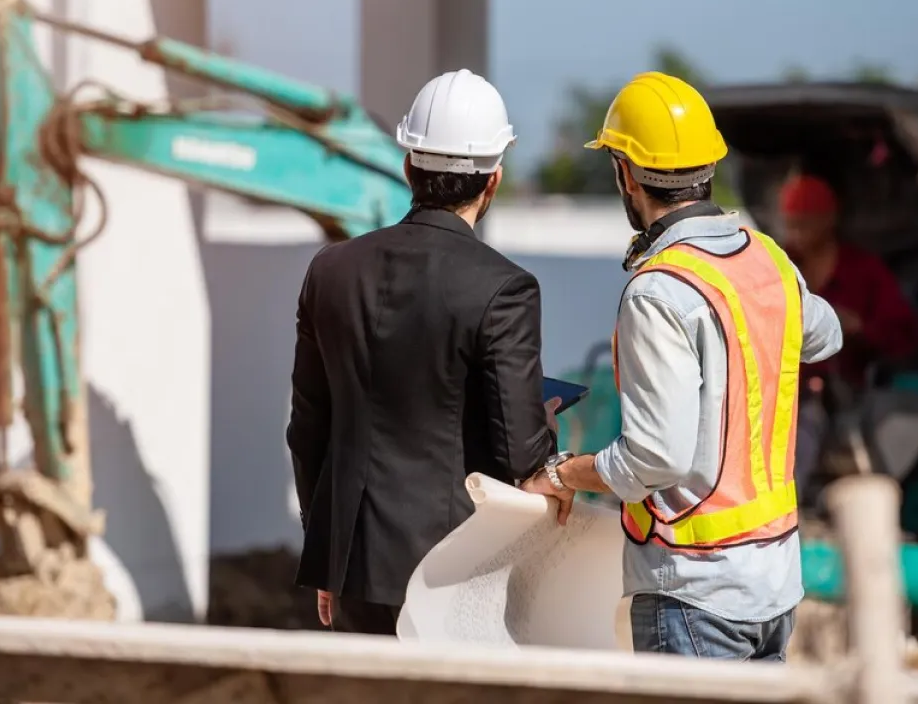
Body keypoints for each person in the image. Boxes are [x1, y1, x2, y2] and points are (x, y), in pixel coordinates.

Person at [521, 72, 843, 661]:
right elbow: (826, 333)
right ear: (709, 168)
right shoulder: (768, 257)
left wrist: (564, 472)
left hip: (698, 595)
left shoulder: (660, 290)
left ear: (625, 174)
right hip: (774, 586)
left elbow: (655, 458)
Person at [286, 69, 558, 636]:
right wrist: (545, 422)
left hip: (353, 564)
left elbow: (307, 427)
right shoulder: (505, 288)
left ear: (408, 166)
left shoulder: (330, 272)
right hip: (453, 570)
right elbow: (519, 454)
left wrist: (328, 555)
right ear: (494, 180)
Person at [777, 173, 918, 392]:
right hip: (792, 393)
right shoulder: (779, 268)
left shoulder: (864, 269)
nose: (796, 235)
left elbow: (904, 335)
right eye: (791, 226)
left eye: (804, 225)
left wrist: (860, 328)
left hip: (857, 391)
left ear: (829, 218)